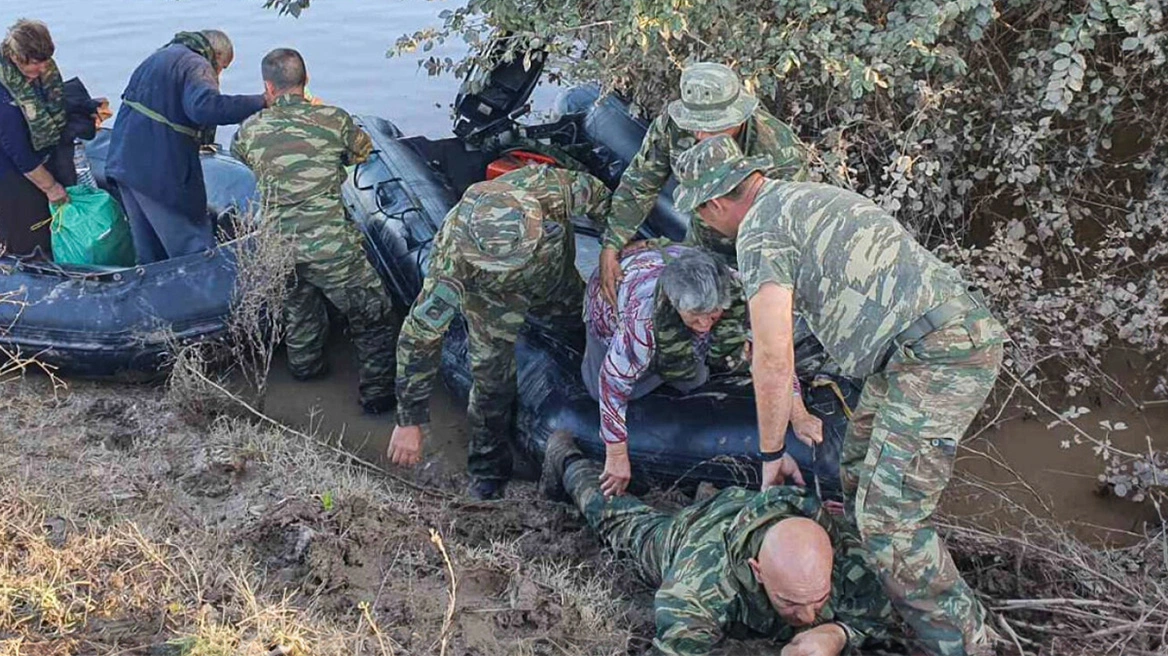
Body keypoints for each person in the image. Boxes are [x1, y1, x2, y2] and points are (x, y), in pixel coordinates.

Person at [672, 134, 1007, 656]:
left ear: (714, 203)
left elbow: (773, 356)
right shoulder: (803, 196)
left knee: (890, 522)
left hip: (939, 355)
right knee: (855, 464)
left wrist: (770, 453)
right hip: (913, 349)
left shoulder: (759, 233)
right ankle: (860, 588)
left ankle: (968, 646)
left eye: (701, 214)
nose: (705, 225)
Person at [540, 431, 893, 656]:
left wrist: (835, 634)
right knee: (622, 523)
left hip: (755, 512)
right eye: (790, 603)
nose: (807, 617)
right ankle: (568, 461)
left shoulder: (848, 556)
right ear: (757, 571)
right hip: (690, 534)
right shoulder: (698, 586)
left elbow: (882, 620)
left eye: (819, 599)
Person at [388, 164, 611, 500]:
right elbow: (420, 336)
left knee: (585, 337)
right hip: (492, 301)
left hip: (556, 283)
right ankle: (488, 469)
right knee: (491, 383)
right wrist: (409, 418)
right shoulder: (453, 256)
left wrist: (614, 250)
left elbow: (607, 205)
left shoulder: (550, 187)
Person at [230, 48, 399, 413]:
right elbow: (363, 152)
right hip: (330, 245)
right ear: (306, 82)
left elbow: (241, 159)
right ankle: (377, 395)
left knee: (299, 304)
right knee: (373, 313)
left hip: (278, 243)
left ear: (268, 87)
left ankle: (306, 369)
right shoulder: (333, 119)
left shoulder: (249, 129)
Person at [583, 244, 822, 498]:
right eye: (696, 317)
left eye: (713, 314)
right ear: (675, 305)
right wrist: (617, 453)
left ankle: (679, 360)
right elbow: (612, 382)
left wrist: (797, 412)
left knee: (694, 378)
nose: (705, 324)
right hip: (610, 300)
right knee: (609, 390)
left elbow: (771, 355)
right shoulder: (641, 321)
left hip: (673, 269)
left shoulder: (738, 287)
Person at [596, 61, 810, 306]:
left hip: (759, 255)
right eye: (695, 126)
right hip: (701, 243)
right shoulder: (672, 127)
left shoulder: (780, 150)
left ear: (739, 116)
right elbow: (641, 182)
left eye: (713, 127)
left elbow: (786, 236)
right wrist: (612, 244)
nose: (700, 136)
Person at [107, 30, 266, 264]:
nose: (218, 75)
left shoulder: (159, 58)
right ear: (216, 54)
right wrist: (261, 101)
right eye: (221, 67)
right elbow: (204, 107)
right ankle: (212, 297)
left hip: (125, 165)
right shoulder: (196, 64)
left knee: (150, 254)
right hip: (158, 174)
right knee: (194, 249)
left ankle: (156, 298)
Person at [0, 19, 79, 257]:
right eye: (35, 64)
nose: (43, 69)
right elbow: (18, 151)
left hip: (43, 153)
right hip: (10, 170)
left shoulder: (42, 73)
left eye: (46, 61)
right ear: (16, 58)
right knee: (30, 231)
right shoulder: (5, 97)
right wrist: (51, 187)